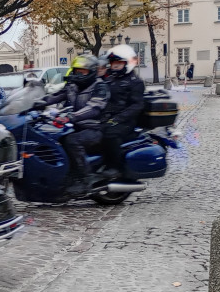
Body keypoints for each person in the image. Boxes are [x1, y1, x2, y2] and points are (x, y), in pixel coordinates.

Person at [33, 54, 109, 196]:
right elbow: (56, 96)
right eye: (76, 71)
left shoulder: (100, 86)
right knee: (54, 136)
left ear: (92, 71)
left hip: (95, 127)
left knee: (72, 141)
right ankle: (63, 176)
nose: (78, 74)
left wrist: (71, 117)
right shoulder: (73, 86)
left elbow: (94, 107)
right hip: (77, 125)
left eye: (83, 71)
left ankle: (86, 179)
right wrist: (36, 102)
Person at [98, 45, 146, 182]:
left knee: (109, 133)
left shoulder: (135, 82)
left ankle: (115, 168)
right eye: (113, 63)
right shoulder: (110, 79)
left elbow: (137, 105)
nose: (114, 66)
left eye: (118, 63)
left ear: (128, 63)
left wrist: (118, 118)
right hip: (109, 117)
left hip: (125, 121)